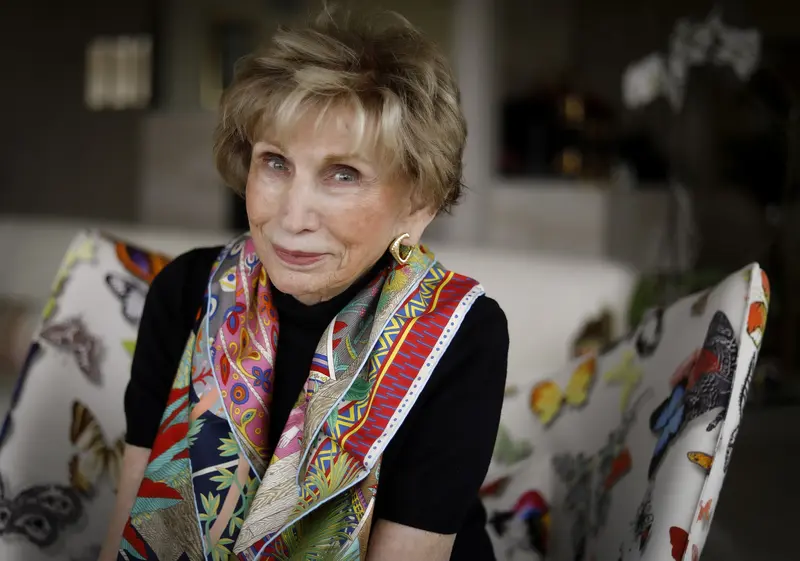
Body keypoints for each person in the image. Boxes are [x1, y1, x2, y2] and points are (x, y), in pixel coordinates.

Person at [100, 8, 508, 561]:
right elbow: (128, 523)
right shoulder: (186, 292)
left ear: (418, 202)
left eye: (344, 174)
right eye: (275, 163)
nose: (293, 217)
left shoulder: (460, 333)